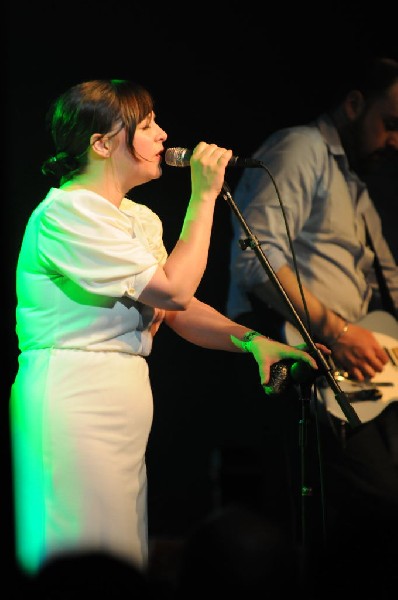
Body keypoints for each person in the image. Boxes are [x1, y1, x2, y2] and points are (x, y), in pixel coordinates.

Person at [9, 78, 323, 582]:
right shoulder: (67, 212)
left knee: (124, 554)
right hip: (74, 393)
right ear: (103, 143)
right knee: (82, 555)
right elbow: (175, 291)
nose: (163, 135)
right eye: (147, 125)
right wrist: (203, 197)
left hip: (123, 395)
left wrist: (251, 340)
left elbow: (178, 310)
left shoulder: (136, 218)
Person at [227, 56, 398, 568]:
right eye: (389, 124)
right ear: (352, 104)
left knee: (362, 538)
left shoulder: (353, 183)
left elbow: (386, 283)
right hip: (301, 362)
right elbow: (256, 263)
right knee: (375, 508)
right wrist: (339, 330)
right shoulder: (300, 148)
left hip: (354, 371)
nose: (395, 140)